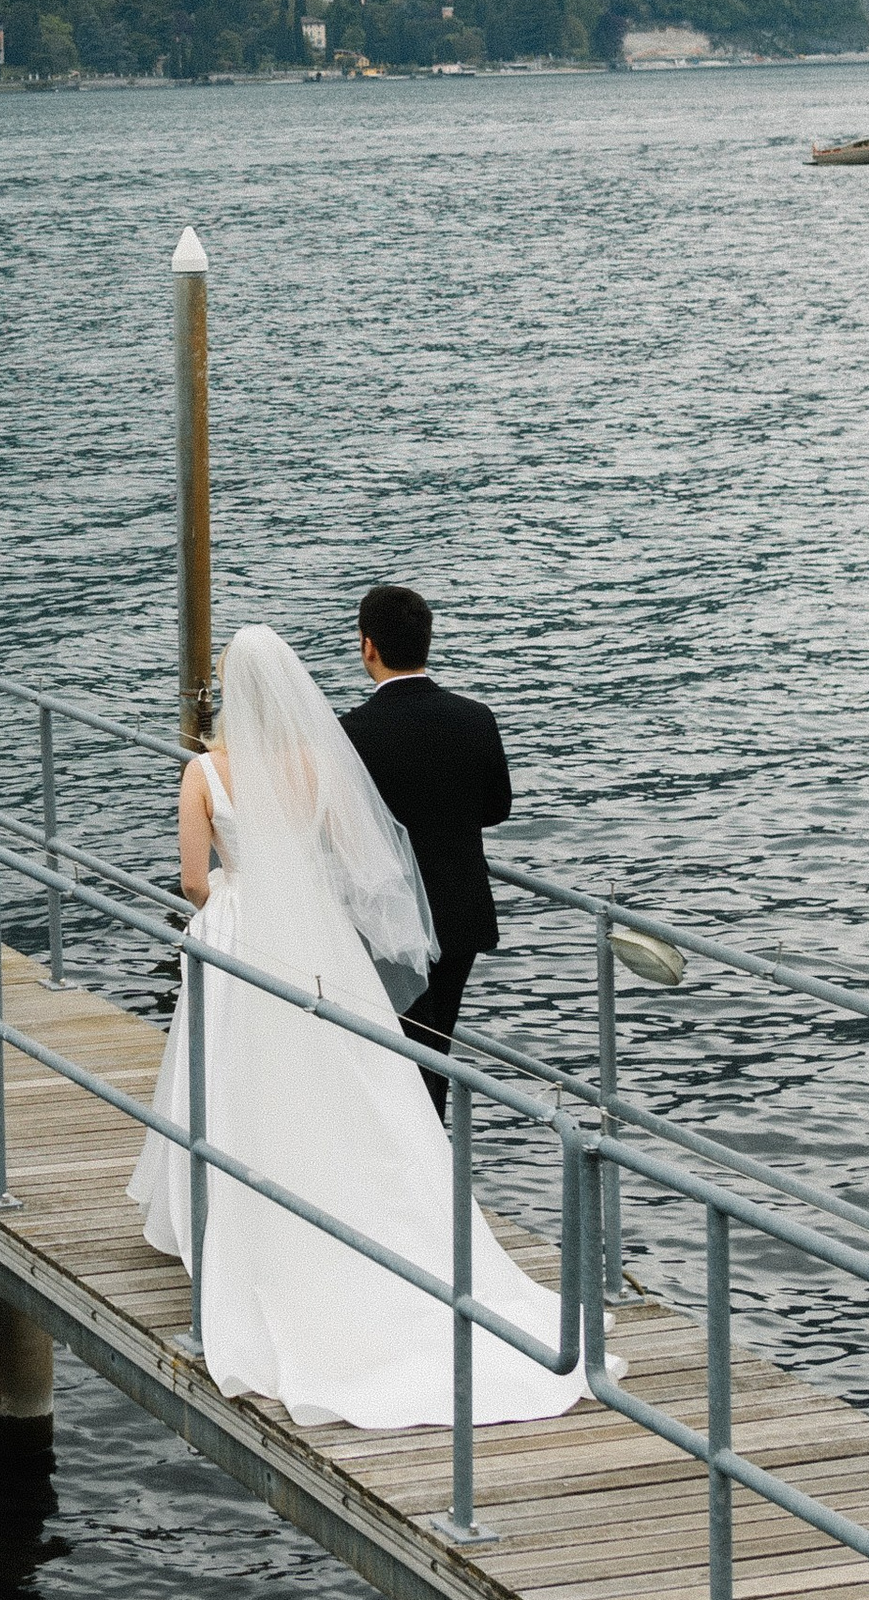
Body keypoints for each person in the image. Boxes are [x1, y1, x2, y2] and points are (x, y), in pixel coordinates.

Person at [127, 624, 582, 1433]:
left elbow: (196, 881)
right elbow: (356, 863)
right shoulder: (317, 765)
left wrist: (233, 902)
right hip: (316, 938)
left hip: (238, 929)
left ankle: (232, 1211)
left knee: (234, 1065)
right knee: (335, 1070)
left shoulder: (203, 771)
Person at [340, 582, 512, 1114]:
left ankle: (420, 1159)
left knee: (398, 1049)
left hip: (390, 922)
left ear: (368, 646)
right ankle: (434, 1157)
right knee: (437, 1044)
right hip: (459, 911)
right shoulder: (475, 717)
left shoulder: (351, 733)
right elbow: (496, 809)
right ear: (427, 642)